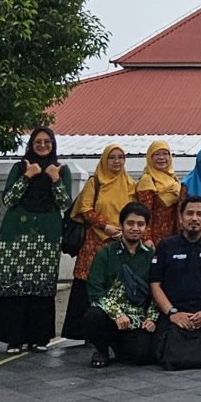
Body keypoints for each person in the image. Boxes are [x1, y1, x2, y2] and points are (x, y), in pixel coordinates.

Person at [0, 127, 72, 353]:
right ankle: (13, 338)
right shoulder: (20, 167)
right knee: (14, 286)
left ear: (53, 144)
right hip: (16, 235)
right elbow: (8, 199)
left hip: (46, 236)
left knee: (41, 288)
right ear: (31, 144)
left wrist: (55, 179)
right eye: (38, 141)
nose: (42, 145)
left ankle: (38, 337)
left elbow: (65, 204)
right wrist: (27, 176)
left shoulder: (61, 169)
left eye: (47, 141)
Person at [62, 143, 137, 340]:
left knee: (113, 284)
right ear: (104, 159)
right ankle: (83, 330)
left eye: (120, 157)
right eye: (112, 157)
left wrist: (123, 230)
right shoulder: (95, 182)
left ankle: (112, 329)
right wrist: (105, 226)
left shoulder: (130, 184)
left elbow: (133, 212)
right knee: (88, 283)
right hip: (95, 242)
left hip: (119, 241)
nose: (117, 162)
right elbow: (85, 209)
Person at [149, 196, 201, 365]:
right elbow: (155, 284)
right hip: (173, 313)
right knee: (151, 352)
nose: (194, 218)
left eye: (200, 214)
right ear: (181, 217)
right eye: (189, 213)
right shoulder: (166, 246)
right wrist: (173, 313)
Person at [82, 202, 157, 368]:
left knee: (141, 356)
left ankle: (120, 347)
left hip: (137, 319)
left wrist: (152, 317)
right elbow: (95, 290)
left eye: (140, 224)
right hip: (111, 316)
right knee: (92, 316)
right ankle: (101, 349)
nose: (135, 228)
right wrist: (116, 314)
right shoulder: (106, 253)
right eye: (130, 223)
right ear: (121, 225)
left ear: (146, 227)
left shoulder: (151, 256)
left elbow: (157, 291)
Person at [137, 140, 186, 246]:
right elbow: (144, 213)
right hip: (156, 238)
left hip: (175, 235)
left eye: (165, 154)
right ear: (150, 157)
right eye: (157, 154)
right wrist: (147, 238)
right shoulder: (147, 180)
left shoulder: (173, 179)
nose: (161, 158)